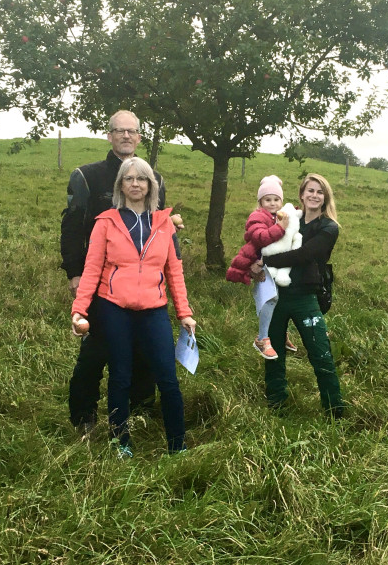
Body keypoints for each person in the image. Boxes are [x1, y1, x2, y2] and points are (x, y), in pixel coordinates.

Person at [71, 158, 195, 458]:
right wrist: (80, 310)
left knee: (167, 377)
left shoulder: (165, 224)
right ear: (120, 185)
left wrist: (184, 312)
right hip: (115, 309)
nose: (135, 184)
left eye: (142, 179)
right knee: (120, 375)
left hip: (154, 310)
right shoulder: (106, 222)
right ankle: (121, 442)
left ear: (151, 185)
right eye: (128, 179)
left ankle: (177, 445)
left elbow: (174, 271)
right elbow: (91, 270)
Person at [258, 173, 345, 417]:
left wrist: (264, 260)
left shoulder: (328, 227)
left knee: (320, 353)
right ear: (301, 195)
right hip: (275, 296)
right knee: (273, 352)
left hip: (306, 297)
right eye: (310, 191)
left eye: (319, 192)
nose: (314, 195)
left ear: (325, 197)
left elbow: (304, 255)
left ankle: (334, 410)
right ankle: (276, 405)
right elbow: (262, 236)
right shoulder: (288, 218)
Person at [225, 174, 299, 360]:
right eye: (268, 199)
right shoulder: (257, 216)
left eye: (276, 199)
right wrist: (281, 227)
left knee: (281, 298)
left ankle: (280, 335)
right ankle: (262, 339)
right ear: (260, 202)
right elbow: (259, 237)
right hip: (259, 262)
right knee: (270, 298)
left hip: (275, 262)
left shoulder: (279, 215)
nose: (272, 203)